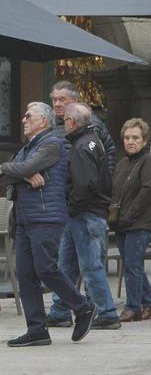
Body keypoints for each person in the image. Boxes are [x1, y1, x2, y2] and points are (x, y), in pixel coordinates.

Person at [1, 102, 96, 347]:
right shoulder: (27, 147)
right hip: (24, 219)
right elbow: (9, 176)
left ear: (43, 121)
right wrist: (24, 174)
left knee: (45, 269)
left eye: (28, 116)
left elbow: (21, 167)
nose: (23, 120)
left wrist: (16, 169)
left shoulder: (51, 144)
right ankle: (37, 330)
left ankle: (83, 307)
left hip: (45, 217)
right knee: (25, 274)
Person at [42, 103, 119, 330]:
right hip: (85, 213)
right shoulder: (92, 140)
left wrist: (72, 207)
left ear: (73, 122)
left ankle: (107, 313)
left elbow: (85, 185)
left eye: (65, 120)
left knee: (90, 267)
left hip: (85, 213)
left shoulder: (82, 146)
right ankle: (60, 311)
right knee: (66, 265)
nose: (64, 123)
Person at [111, 118, 151, 322]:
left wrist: (129, 215)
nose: (130, 141)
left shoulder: (149, 162)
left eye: (135, 138)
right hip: (121, 223)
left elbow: (147, 192)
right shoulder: (122, 163)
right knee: (132, 264)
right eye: (127, 138)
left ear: (144, 140)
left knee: (133, 264)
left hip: (139, 223)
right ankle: (150, 303)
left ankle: (133, 307)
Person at [49, 80, 117, 173]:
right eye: (54, 100)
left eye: (62, 99)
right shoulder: (47, 123)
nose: (57, 104)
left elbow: (109, 152)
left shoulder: (89, 123)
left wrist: (103, 178)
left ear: (74, 100)